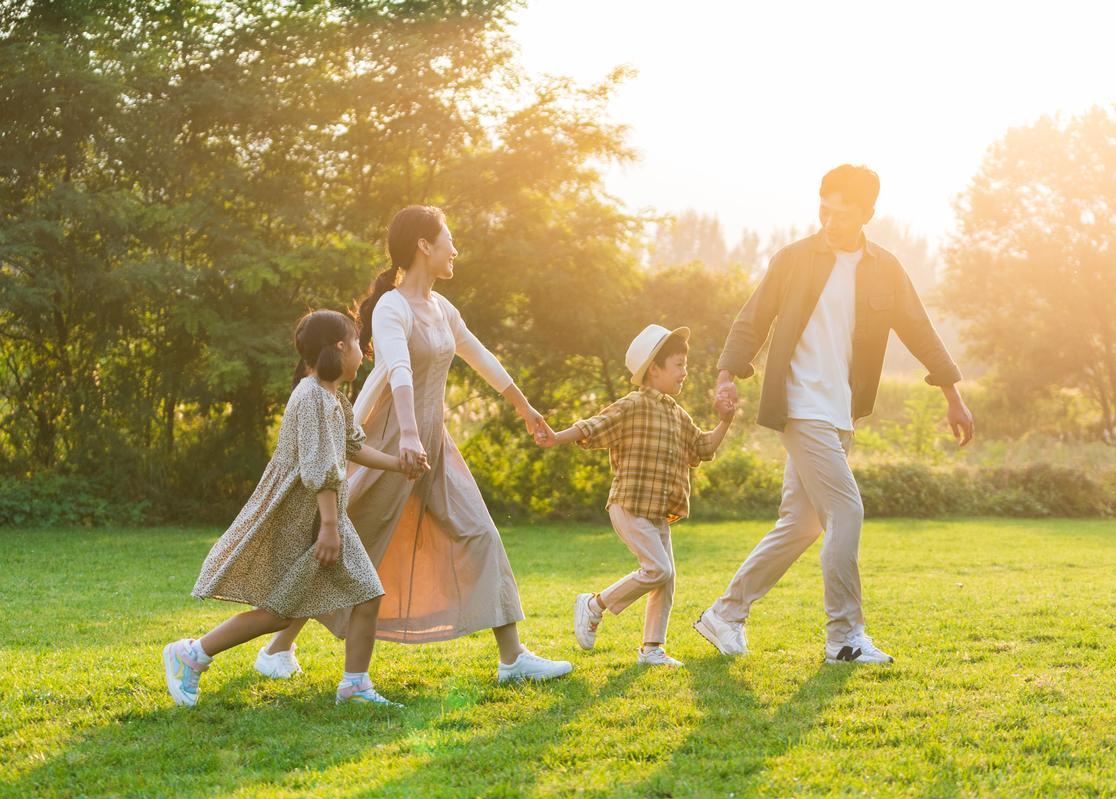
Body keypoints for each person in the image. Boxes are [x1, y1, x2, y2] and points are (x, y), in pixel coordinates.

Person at [263, 205, 572, 684]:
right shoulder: (392, 307)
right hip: (389, 441)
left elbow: (481, 356)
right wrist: (407, 434)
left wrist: (525, 408)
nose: (455, 249)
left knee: (481, 533)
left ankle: (512, 659)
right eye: (449, 238)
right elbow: (399, 367)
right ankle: (278, 645)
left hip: (434, 443)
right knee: (351, 542)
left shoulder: (442, 308)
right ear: (424, 246)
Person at [695, 164, 975, 665]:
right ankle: (844, 637)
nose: (830, 222)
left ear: (868, 214)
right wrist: (725, 374)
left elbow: (919, 328)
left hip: (840, 410)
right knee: (847, 510)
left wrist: (951, 392)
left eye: (843, 215)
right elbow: (753, 318)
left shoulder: (884, 268)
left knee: (801, 524)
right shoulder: (795, 260)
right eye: (825, 210)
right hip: (801, 407)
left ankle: (725, 614)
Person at [162, 309, 421, 707]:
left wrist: (399, 464)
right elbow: (319, 468)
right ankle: (192, 654)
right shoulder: (313, 396)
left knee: (315, 604)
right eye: (357, 345)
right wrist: (330, 527)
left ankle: (353, 685)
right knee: (291, 609)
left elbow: (352, 447)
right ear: (339, 347)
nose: (362, 354)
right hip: (307, 517)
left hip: (320, 515)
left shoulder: (332, 395)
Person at [538, 324, 736, 667]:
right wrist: (556, 437)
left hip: (658, 511)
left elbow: (702, 447)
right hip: (629, 505)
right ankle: (594, 605)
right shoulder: (632, 405)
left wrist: (725, 421)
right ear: (654, 369)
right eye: (678, 364)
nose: (685, 372)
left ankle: (652, 649)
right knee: (658, 569)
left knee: (666, 578)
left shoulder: (677, 414)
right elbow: (593, 426)